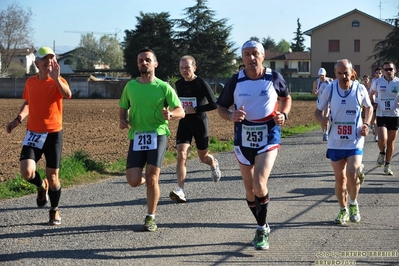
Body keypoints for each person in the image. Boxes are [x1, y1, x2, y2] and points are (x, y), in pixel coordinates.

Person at [217, 40, 292, 250]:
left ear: (263, 55)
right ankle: (263, 223)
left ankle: (261, 229)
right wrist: (231, 115)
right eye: (247, 54)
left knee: (259, 184)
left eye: (255, 54)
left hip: (269, 135)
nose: (251, 58)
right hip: (243, 138)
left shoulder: (273, 77)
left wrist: (283, 114)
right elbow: (221, 108)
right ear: (242, 58)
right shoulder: (236, 80)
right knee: (250, 191)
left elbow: (286, 98)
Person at [119, 47, 185, 232]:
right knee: (133, 180)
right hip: (137, 136)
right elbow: (123, 106)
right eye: (141, 60)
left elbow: (181, 111)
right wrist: (122, 119)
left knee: (152, 177)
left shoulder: (163, 87)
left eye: (147, 59)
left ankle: (151, 216)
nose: (144, 63)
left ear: (155, 64)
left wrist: (170, 114)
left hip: (158, 134)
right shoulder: (130, 86)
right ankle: (149, 182)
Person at [5, 46, 72, 225]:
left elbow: (68, 94)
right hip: (33, 133)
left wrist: (57, 79)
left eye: (51, 58)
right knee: (27, 171)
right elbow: (28, 103)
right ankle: (41, 187)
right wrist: (17, 120)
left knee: (53, 177)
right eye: (45, 58)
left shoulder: (58, 81)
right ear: (37, 63)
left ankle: (54, 211)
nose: (49, 61)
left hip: (53, 134)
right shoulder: (31, 83)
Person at [314, 59, 372, 225]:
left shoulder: (359, 88)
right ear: (335, 74)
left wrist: (366, 124)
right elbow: (317, 111)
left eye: (346, 73)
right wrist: (322, 120)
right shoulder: (330, 89)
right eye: (340, 73)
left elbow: (369, 107)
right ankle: (343, 209)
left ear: (351, 72)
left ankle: (353, 204)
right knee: (340, 179)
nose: (343, 76)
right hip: (335, 142)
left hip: (355, 140)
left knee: (352, 174)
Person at [169, 55, 221, 203]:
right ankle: (181, 190)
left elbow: (214, 104)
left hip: (199, 123)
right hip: (184, 123)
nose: (184, 70)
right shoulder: (178, 84)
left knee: (203, 157)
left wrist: (196, 109)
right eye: (182, 68)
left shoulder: (201, 83)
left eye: (187, 67)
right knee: (181, 155)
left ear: (194, 68)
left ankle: (213, 163)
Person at [369, 62, 399, 175]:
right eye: (386, 69)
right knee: (382, 139)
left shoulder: (398, 82)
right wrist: (373, 103)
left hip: (395, 115)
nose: (388, 71)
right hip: (381, 114)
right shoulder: (377, 82)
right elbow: (371, 93)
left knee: (391, 143)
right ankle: (382, 153)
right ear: (383, 71)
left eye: (390, 69)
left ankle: (387, 165)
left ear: (394, 70)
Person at [312, 68, 333, 141]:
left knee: (326, 116)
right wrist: (315, 92)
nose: (321, 77)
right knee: (321, 118)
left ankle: (326, 133)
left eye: (323, 76)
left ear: (325, 74)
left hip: (328, 102)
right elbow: (313, 93)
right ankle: (324, 132)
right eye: (320, 76)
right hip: (320, 102)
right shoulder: (316, 82)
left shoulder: (330, 81)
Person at [370, 68, 383, 142]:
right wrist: (373, 102)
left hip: (382, 103)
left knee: (378, 120)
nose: (378, 74)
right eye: (376, 73)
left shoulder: (384, 81)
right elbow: (371, 93)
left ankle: (376, 135)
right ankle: (374, 129)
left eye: (379, 73)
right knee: (373, 121)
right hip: (375, 102)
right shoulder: (373, 81)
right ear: (374, 74)